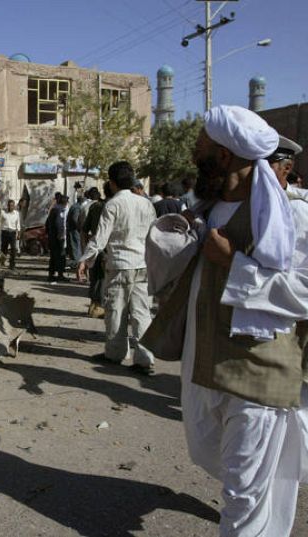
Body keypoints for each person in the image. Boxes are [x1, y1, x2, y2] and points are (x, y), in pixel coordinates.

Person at [143, 105, 308, 536]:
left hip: (258, 375)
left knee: (242, 496)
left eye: (199, 145)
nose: (193, 152)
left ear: (225, 154)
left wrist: (234, 263)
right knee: (215, 461)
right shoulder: (209, 211)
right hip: (204, 369)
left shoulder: (290, 218)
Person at [76, 162, 156, 374]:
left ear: (111, 183)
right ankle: (145, 359)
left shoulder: (112, 205)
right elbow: (153, 237)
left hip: (120, 265)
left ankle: (115, 353)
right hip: (142, 265)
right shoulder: (146, 204)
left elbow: (100, 238)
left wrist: (84, 260)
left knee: (116, 311)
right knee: (142, 313)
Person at [81, 186, 108, 318]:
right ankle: (99, 307)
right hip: (107, 248)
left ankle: (94, 305)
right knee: (102, 279)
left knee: (95, 277)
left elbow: (84, 230)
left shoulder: (95, 207)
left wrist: (87, 248)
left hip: (94, 246)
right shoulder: (111, 207)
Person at [46, 194, 68, 283]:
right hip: (58, 237)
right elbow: (59, 223)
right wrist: (60, 234)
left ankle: (51, 275)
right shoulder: (60, 210)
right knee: (60, 256)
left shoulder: (53, 210)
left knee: (53, 257)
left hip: (52, 236)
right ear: (65, 203)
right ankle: (60, 275)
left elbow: (47, 223)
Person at [0, 199, 20, 270]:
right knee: (4, 248)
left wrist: (18, 234)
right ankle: (2, 262)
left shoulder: (16, 213)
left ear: (14, 206)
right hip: (5, 232)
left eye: (12, 206)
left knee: (13, 249)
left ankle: (12, 265)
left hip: (13, 233)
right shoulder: (3, 212)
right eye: (9, 205)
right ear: (7, 206)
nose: (10, 207)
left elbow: (18, 224)